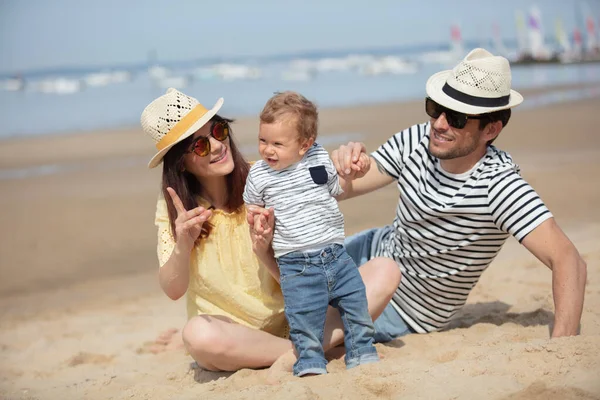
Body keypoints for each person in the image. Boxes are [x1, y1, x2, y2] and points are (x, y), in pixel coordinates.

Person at [331, 48, 587, 340]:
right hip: (368, 251)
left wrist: (562, 345)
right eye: (435, 108)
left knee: (296, 332)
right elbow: (343, 188)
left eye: (456, 117)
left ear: (490, 130)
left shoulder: (498, 186)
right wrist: (342, 166)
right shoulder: (417, 140)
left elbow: (569, 260)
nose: (439, 123)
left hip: (402, 310)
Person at [140, 88, 400, 372]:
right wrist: (184, 244)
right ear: (182, 163)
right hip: (236, 335)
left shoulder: (270, 176)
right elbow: (173, 289)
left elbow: (349, 183)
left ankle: (302, 349)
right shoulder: (178, 211)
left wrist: (352, 159)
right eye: (200, 146)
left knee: (385, 270)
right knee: (198, 335)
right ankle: (312, 350)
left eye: (218, 130)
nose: (216, 145)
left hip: (298, 316)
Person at [243, 91, 379, 377]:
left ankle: (362, 350)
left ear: (305, 144)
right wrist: (256, 219)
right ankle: (310, 360)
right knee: (304, 316)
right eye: (263, 140)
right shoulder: (259, 175)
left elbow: (336, 188)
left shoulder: (318, 157)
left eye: (278, 144)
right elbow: (252, 207)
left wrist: (357, 170)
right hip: (296, 263)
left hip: (335, 254)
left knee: (356, 302)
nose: (268, 150)